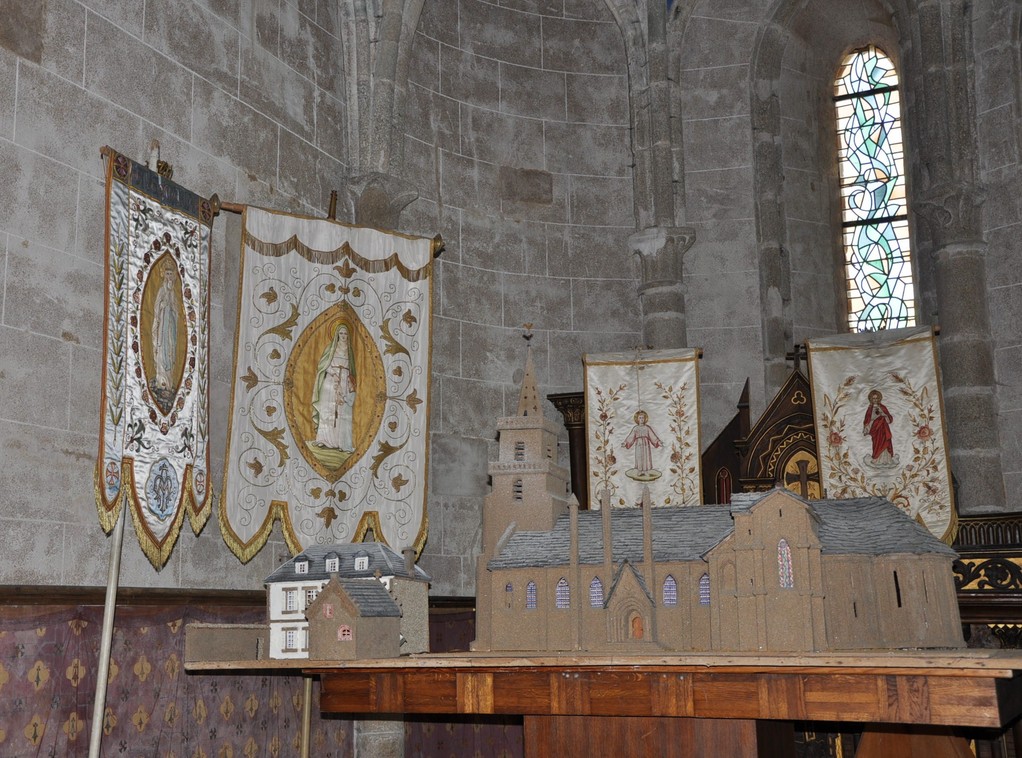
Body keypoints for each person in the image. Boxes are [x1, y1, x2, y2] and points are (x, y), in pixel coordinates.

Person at [312, 324, 356, 452]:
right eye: (341, 333)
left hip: (344, 382)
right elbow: (322, 366)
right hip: (331, 381)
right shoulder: (331, 348)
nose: (343, 336)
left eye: (346, 334)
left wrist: (348, 382)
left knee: (341, 412)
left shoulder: (350, 350)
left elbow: (352, 369)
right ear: (337, 334)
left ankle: (339, 441)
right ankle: (323, 439)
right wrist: (333, 373)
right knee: (327, 410)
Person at [151, 264, 179, 391]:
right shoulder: (162, 290)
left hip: (170, 328)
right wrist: (163, 306)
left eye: (171, 274)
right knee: (162, 351)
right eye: (167, 274)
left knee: (171, 351)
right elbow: (157, 306)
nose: (169, 277)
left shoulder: (172, 293)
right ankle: (161, 381)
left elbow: (176, 310)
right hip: (162, 326)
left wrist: (172, 310)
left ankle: (168, 383)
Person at [623, 410, 662, 478]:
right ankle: (640, 470)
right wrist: (626, 442)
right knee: (639, 456)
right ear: (637, 419)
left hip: (646, 444)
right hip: (638, 444)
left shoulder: (647, 428)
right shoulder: (636, 428)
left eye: (643, 418)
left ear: (645, 419)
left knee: (646, 456)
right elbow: (631, 436)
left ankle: (646, 470)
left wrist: (658, 442)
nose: (641, 419)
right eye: (640, 418)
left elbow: (652, 436)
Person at [862, 389, 895, 464]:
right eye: (873, 398)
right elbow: (867, 420)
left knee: (884, 442)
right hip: (875, 429)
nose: (875, 400)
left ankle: (886, 460)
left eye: (876, 398)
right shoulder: (870, 408)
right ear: (871, 399)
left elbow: (889, 418)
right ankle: (877, 459)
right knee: (876, 443)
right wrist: (866, 428)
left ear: (879, 398)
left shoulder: (882, 407)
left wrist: (883, 414)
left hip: (883, 428)